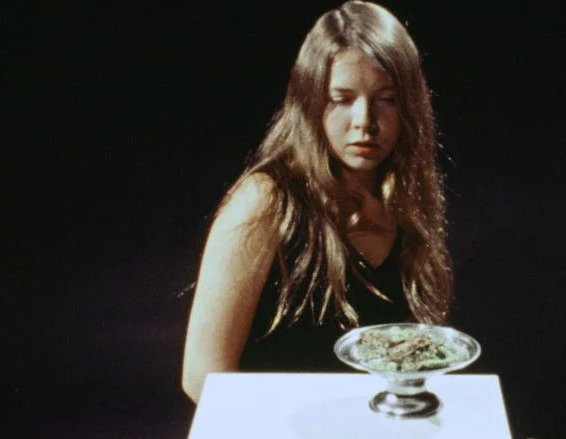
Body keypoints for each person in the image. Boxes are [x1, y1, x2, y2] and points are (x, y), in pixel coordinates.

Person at [181, 0, 453, 402]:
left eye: (387, 99)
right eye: (341, 99)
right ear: (310, 100)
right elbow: (202, 377)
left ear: (410, 107)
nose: (364, 121)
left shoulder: (405, 203)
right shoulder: (265, 202)